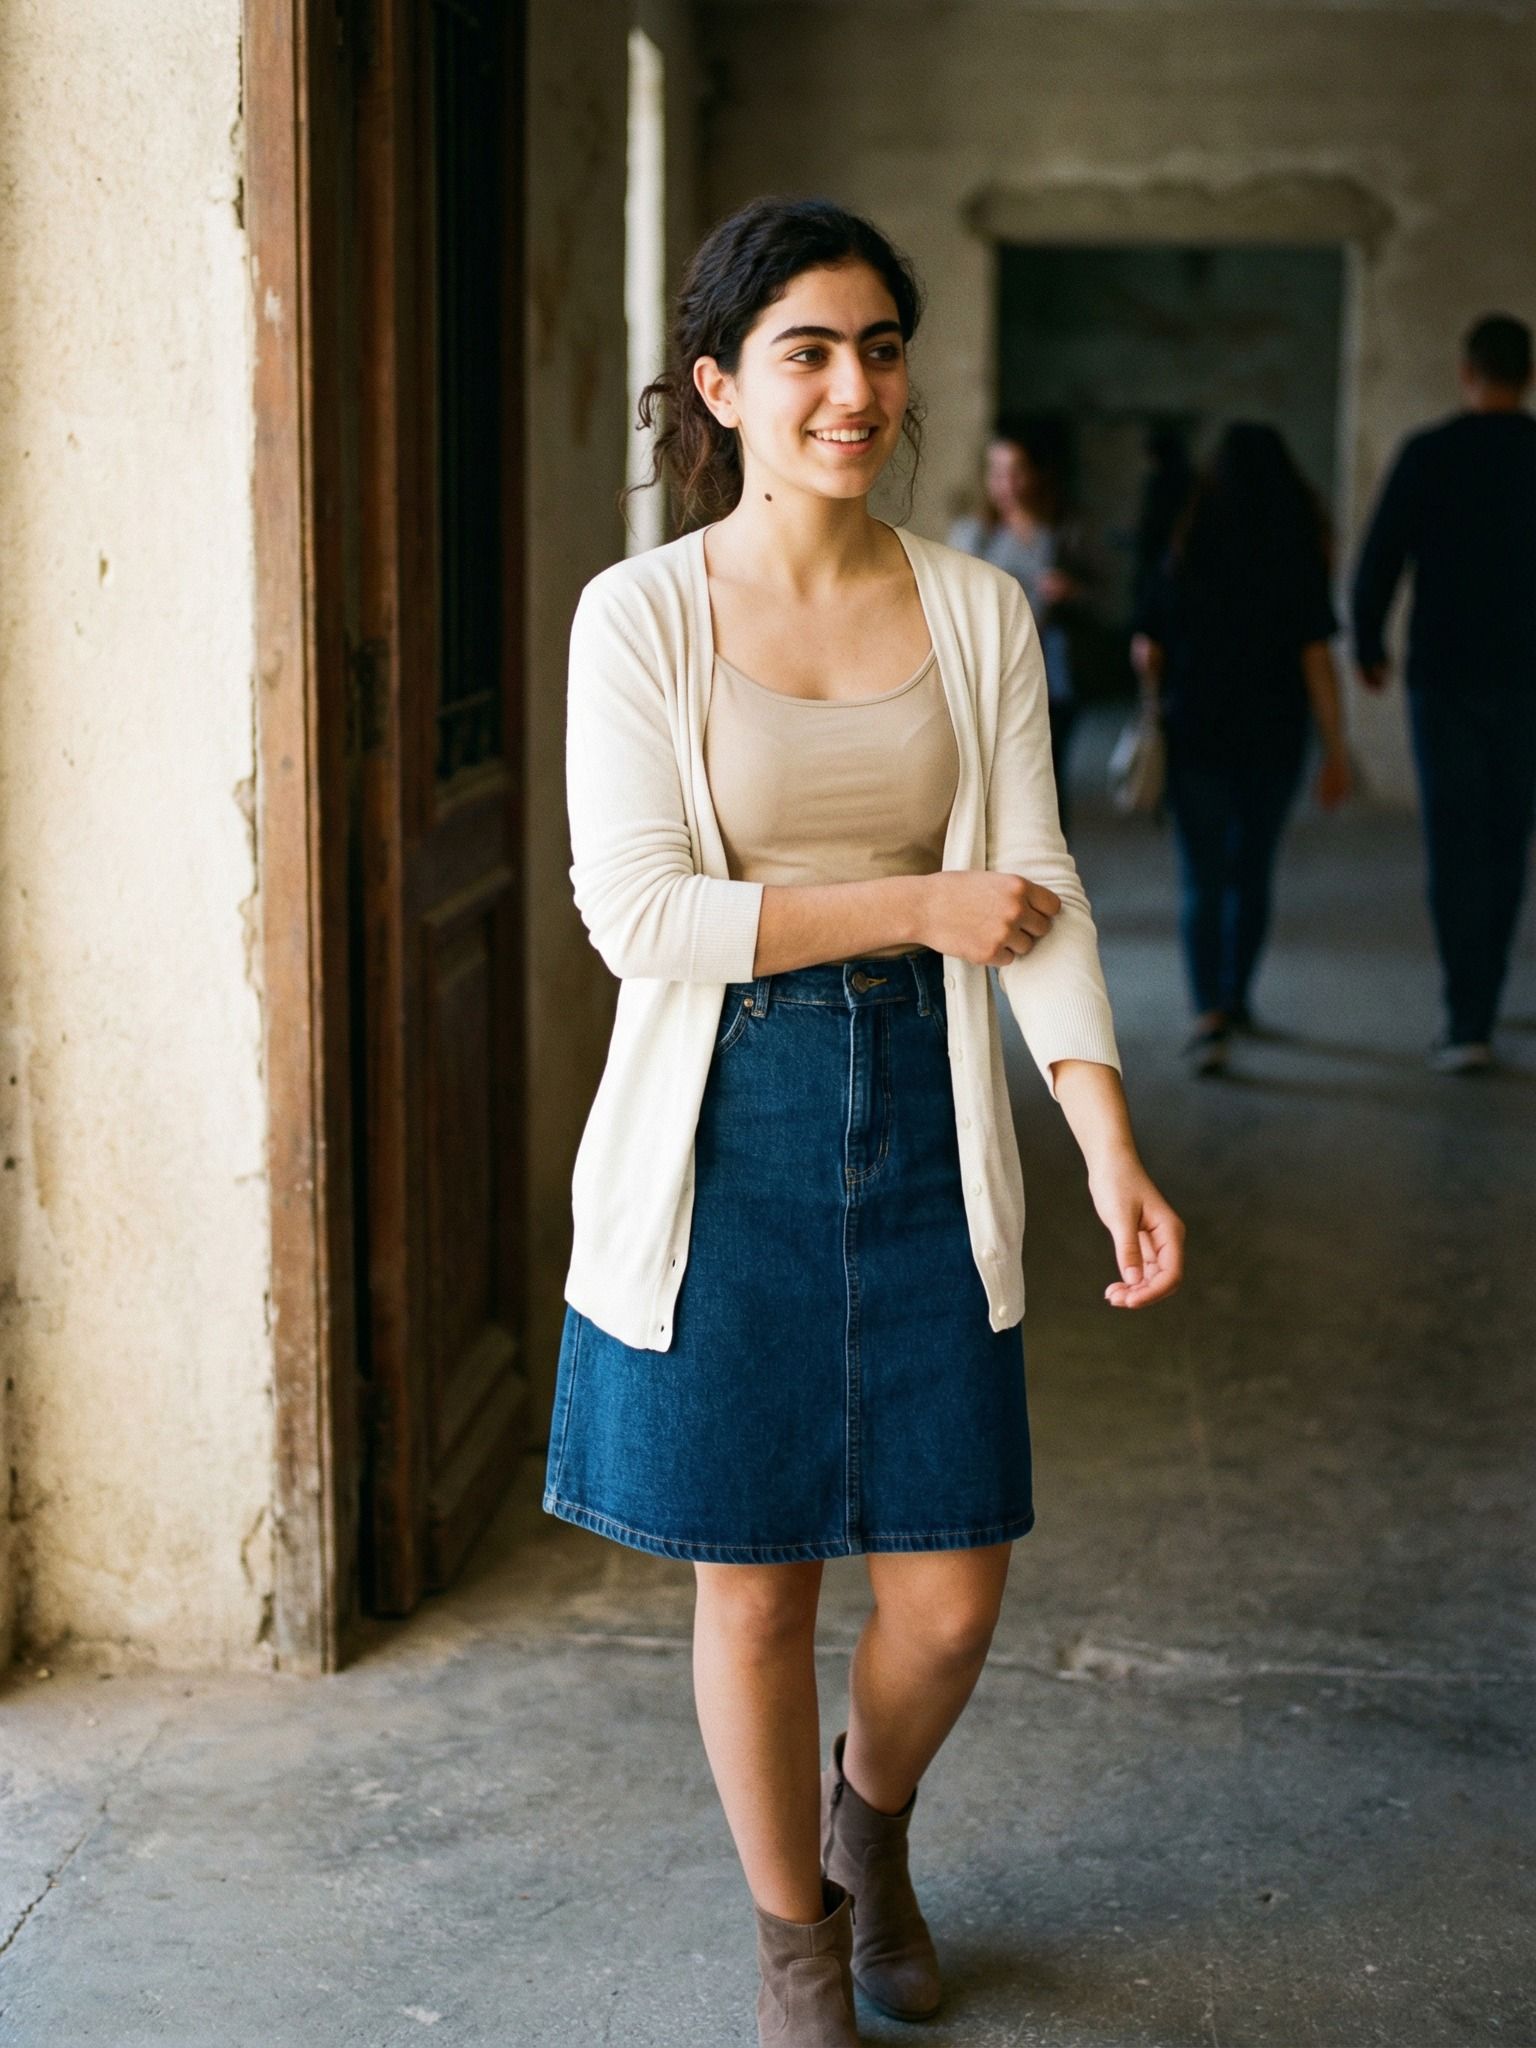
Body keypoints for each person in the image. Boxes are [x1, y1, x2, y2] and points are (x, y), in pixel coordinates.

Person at [546, 196, 1185, 2047]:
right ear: (720, 385)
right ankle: (793, 1944)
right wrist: (914, 904)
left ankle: (869, 1819)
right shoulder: (641, 615)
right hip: (719, 1125)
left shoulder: (974, 603)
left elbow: (1032, 885)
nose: (851, 386)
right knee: (752, 1593)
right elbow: (640, 914)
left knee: (951, 1589)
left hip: (924, 1104)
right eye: (808, 350)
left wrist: (1104, 1138)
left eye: (879, 347)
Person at [1351, 312, 1536, 1073]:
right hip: (1526, 680)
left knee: (1456, 845)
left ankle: (1465, 1021)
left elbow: (1380, 556)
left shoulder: (1430, 454)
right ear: (1525, 375)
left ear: (1468, 372)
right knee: (1505, 840)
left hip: (1444, 678)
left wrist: (1368, 643)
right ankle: (1482, 1001)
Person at [1138, 423, 1353, 1076]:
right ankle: (1237, 995)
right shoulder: (1296, 554)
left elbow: (1148, 647)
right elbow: (1316, 658)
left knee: (1201, 875)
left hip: (1196, 731)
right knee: (1251, 869)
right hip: (1274, 736)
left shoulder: (1188, 542)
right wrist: (1336, 747)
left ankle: (1208, 1014)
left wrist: (1151, 711)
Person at [949, 419, 1095, 834]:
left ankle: (1049, 869)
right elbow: (951, 601)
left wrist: (1072, 591)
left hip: (1053, 674)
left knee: (1047, 777)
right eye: (996, 472)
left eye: (1016, 471)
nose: (1006, 483)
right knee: (993, 780)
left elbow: (1107, 596)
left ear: (1036, 474)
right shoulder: (973, 533)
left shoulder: (1064, 530)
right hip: (990, 674)